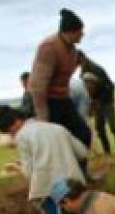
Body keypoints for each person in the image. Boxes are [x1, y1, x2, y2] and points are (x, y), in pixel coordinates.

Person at [30, 9, 94, 158]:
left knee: (83, 134)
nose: (82, 34)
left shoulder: (72, 50)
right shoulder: (49, 47)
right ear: (70, 32)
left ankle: (79, 171)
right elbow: (38, 85)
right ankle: (63, 172)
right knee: (55, 143)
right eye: (80, 31)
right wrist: (43, 117)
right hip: (47, 101)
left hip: (64, 99)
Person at [80, 55, 115, 154]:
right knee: (100, 128)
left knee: (113, 126)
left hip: (107, 102)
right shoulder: (83, 72)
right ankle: (107, 152)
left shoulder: (98, 70)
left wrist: (100, 100)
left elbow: (110, 86)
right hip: (96, 102)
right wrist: (91, 103)